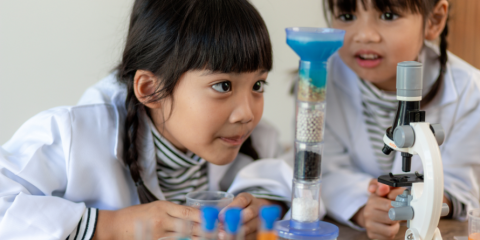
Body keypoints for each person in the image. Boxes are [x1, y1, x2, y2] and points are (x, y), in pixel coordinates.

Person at [0, 0, 292, 239]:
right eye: (223, 86)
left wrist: (266, 206)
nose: (247, 113)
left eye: (258, 85)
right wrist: (108, 226)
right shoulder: (72, 134)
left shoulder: (255, 136)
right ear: (150, 90)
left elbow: (288, 177)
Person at [319, 0, 480, 239]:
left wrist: (423, 199)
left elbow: (462, 187)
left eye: (387, 15)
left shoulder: (470, 92)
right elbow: (323, 169)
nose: (364, 35)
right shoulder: (319, 81)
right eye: (347, 15)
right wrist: (365, 207)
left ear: (433, 21)